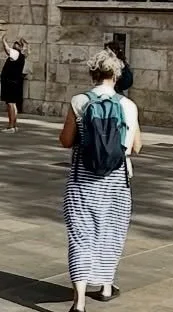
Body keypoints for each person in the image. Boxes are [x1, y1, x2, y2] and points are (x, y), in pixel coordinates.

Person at [58, 48, 141, 311]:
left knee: (81, 236)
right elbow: (136, 147)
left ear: (93, 73)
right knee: (110, 233)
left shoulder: (79, 101)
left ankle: (79, 302)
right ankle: (106, 286)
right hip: (116, 180)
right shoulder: (128, 106)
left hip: (83, 178)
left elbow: (66, 140)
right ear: (116, 75)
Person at [0, 35, 28, 131]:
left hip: (10, 82)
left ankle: (11, 125)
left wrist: (3, 40)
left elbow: (7, 49)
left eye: (17, 44)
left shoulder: (15, 54)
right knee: (13, 104)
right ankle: (13, 125)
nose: (15, 45)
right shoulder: (21, 56)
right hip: (14, 82)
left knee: (10, 104)